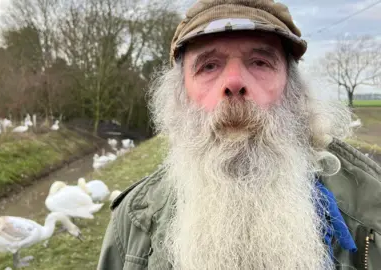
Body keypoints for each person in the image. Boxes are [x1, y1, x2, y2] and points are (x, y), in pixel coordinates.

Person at [97, 1, 381, 269]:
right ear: (180, 96)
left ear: (294, 91)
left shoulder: (371, 216)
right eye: (208, 66)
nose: (233, 83)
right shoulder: (133, 223)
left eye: (259, 62)